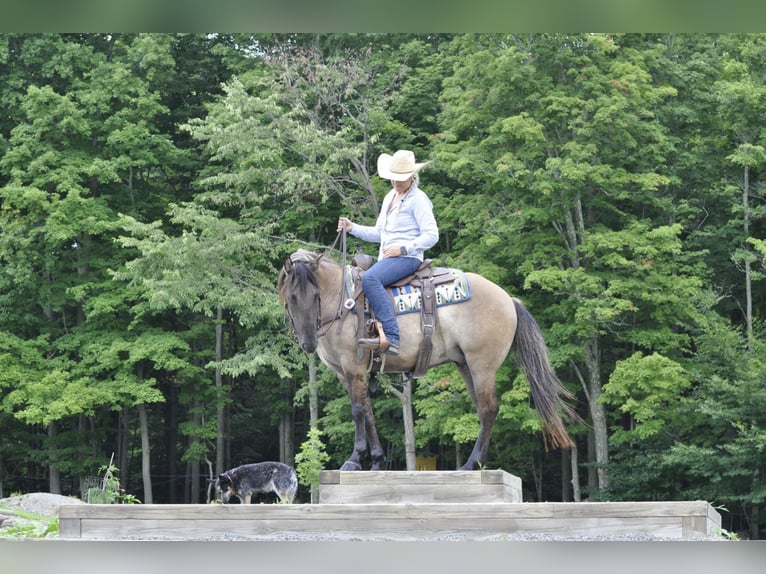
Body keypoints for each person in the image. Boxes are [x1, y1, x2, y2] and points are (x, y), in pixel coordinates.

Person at [337, 149, 439, 356]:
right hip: (389, 258)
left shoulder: (418, 199)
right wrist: (352, 227)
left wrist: (403, 248)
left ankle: (392, 337)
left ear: (412, 176)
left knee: (370, 279)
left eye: (400, 179)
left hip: (408, 258)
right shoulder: (390, 197)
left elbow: (432, 235)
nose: (396, 182)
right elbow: (379, 233)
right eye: (393, 178)